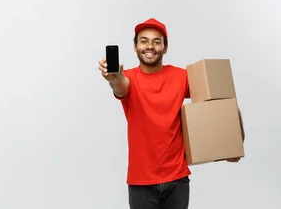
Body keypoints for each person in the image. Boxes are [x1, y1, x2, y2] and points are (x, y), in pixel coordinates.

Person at [97, 18, 243, 209]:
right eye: (143, 41)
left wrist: (233, 142)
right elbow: (120, 87)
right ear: (135, 47)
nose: (150, 46)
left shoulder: (181, 76)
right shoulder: (129, 78)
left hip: (177, 179)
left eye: (157, 41)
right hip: (141, 183)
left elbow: (219, 99)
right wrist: (115, 78)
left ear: (165, 48)